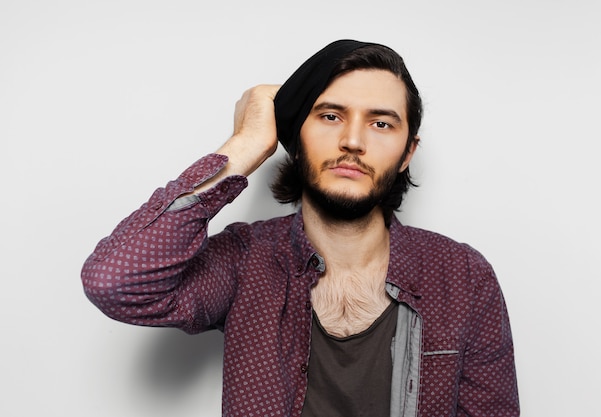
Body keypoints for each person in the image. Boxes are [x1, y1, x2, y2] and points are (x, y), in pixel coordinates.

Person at [82, 39, 520, 417]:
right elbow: (114, 282)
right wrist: (245, 147)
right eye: (330, 116)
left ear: (407, 152)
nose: (353, 140)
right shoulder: (244, 260)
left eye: (381, 123)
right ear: (296, 135)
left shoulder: (463, 277)